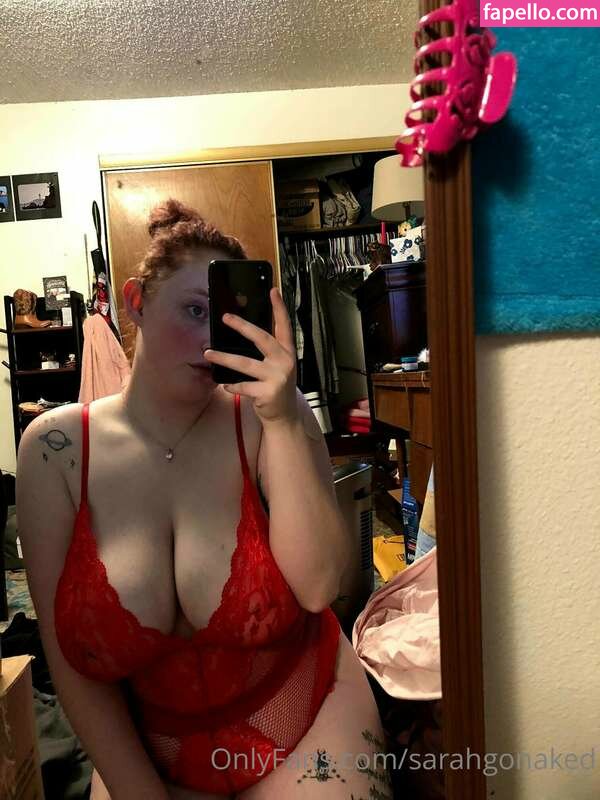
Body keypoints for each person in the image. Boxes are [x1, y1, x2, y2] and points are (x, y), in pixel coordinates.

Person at [17, 200, 391, 800]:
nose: (211, 338)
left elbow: (320, 587)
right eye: (194, 310)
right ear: (136, 302)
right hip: (158, 748)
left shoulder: (268, 416)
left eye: (226, 318)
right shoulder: (55, 451)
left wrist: (283, 416)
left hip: (309, 710)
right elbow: (70, 667)